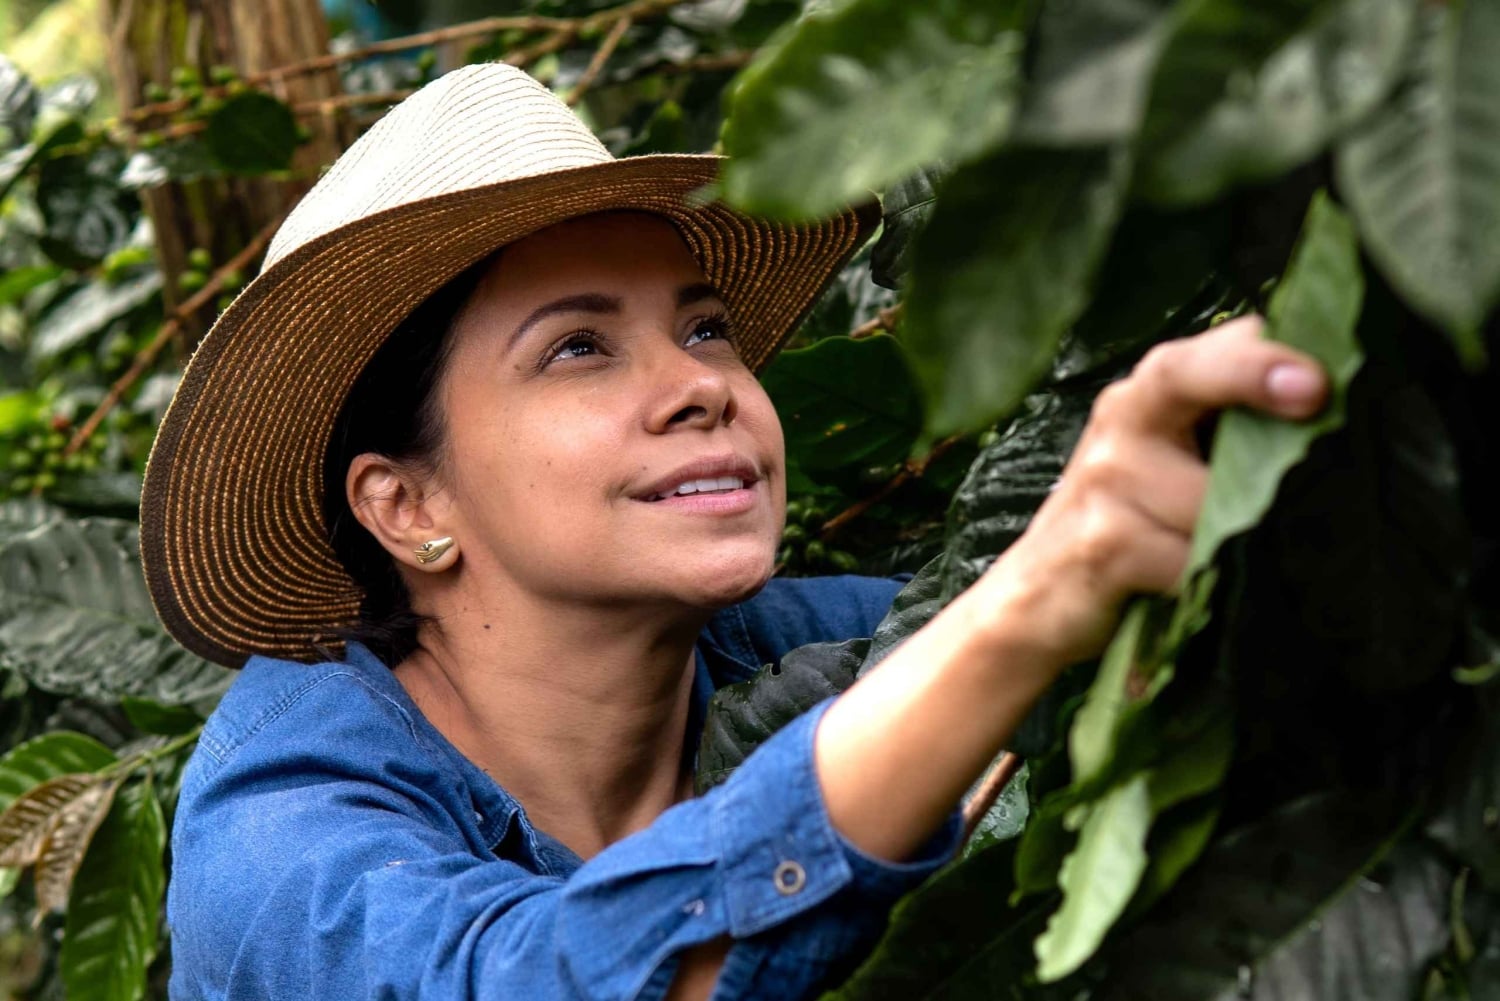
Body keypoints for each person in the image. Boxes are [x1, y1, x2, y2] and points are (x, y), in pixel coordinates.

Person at [141, 63, 1330, 1001]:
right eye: (577, 347)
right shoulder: (281, 827)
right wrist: (1027, 607)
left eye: (704, 328)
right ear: (409, 506)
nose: (701, 385)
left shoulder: (807, 645)